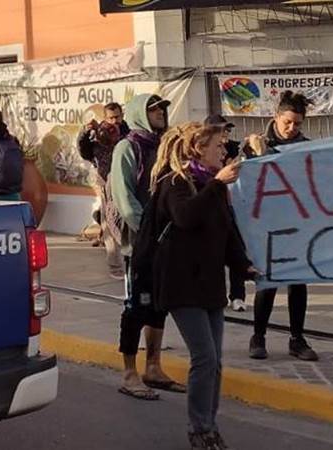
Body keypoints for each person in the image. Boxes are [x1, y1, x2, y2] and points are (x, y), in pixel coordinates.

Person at [151, 122, 255, 450]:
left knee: (215, 361)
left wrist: (244, 265)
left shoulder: (214, 187)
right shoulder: (176, 183)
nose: (224, 153)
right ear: (198, 149)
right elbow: (184, 216)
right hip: (182, 285)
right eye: (218, 147)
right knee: (204, 357)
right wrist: (215, 185)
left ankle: (209, 424)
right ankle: (198, 428)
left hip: (209, 286)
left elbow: (226, 232)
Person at [110, 94, 184, 400]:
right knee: (135, 307)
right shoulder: (128, 148)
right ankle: (129, 372)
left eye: (163, 108)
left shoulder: (163, 146)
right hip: (140, 244)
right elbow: (125, 199)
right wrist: (148, 232)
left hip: (163, 242)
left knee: (158, 305)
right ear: (141, 112)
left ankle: (153, 366)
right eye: (154, 109)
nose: (160, 113)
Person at [248, 91, 319, 362]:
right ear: (275, 117)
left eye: (298, 124)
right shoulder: (255, 146)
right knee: (267, 282)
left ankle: (297, 339)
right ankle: (258, 336)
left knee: (298, 283)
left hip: (296, 225)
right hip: (265, 226)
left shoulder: (306, 149)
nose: (292, 129)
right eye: (287, 122)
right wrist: (258, 156)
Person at [204, 113, 249, 312]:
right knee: (214, 253)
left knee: (236, 248)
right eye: (220, 130)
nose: (225, 135)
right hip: (210, 209)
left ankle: (238, 295)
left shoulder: (232, 148)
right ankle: (216, 294)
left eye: (227, 130)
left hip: (231, 206)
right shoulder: (201, 154)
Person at [78, 115, 125, 276]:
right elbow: (83, 150)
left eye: (116, 117)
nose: (113, 121)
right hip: (106, 186)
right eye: (110, 117)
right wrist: (85, 132)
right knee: (109, 225)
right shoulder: (96, 142)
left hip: (124, 184)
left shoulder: (126, 135)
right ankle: (115, 266)